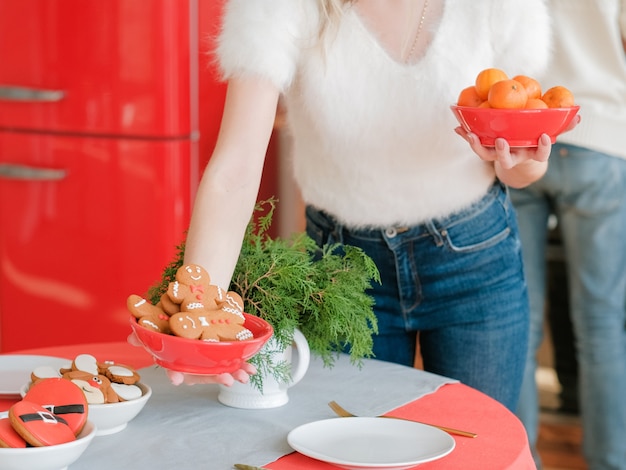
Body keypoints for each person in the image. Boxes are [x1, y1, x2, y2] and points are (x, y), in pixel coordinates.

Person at [168, 0, 568, 409]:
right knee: (351, 446)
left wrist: (520, 164)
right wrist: (198, 309)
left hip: (474, 261)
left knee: (478, 448)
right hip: (344, 271)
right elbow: (235, 170)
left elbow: (520, 169)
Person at [510, 1, 626, 468]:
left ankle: (520, 460)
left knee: (522, 321)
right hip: (601, 134)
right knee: (603, 324)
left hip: (520, 137)